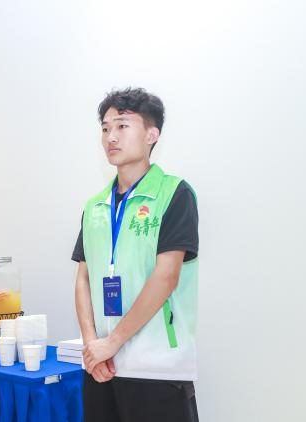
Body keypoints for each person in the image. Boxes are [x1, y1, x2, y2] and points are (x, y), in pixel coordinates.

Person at [72, 87, 199, 421]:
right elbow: (83, 278)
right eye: (105, 128)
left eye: (122, 126)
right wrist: (92, 346)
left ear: (151, 135)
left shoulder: (174, 194)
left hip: (158, 368)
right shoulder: (95, 207)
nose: (111, 137)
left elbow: (166, 276)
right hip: (103, 367)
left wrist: (112, 342)